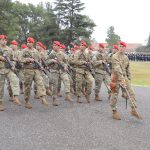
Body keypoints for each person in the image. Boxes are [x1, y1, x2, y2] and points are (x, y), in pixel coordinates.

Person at [110, 41, 142, 120]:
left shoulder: (126, 57)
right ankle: (114, 111)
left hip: (124, 77)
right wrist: (122, 80)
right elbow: (117, 69)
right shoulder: (114, 56)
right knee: (114, 95)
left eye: (122, 46)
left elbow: (128, 69)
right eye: (120, 46)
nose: (121, 47)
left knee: (131, 93)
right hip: (116, 78)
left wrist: (128, 78)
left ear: (125, 48)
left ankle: (133, 110)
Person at [0, 35, 21, 111]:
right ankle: (0, 103)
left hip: (8, 69)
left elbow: (12, 59)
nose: (4, 41)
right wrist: (2, 58)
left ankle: (15, 96)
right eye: (2, 40)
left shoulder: (9, 49)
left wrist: (13, 65)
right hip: (0, 70)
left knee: (15, 79)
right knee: (0, 87)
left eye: (5, 40)